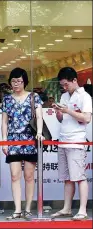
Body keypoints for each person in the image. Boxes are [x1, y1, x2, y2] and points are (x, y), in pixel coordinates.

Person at [0, 68, 44, 220]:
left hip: (30, 139)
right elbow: (4, 122)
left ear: (24, 81)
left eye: (19, 81)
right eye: (13, 81)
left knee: (29, 176)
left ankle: (28, 209)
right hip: (13, 140)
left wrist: (39, 132)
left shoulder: (34, 97)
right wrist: (4, 141)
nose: (16, 84)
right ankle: (17, 209)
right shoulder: (7, 99)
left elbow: (39, 116)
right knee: (14, 175)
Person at [51, 67, 92, 221]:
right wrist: (59, 112)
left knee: (79, 177)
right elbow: (62, 120)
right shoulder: (63, 96)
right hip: (63, 140)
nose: (64, 87)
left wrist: (68, 111)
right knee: (67, 178)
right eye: (62, 85)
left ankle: (82, 210)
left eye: (66, 84)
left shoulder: (84, 96)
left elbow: (86, 118)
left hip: (76, 142)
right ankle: (67, 208)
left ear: (75, 80)